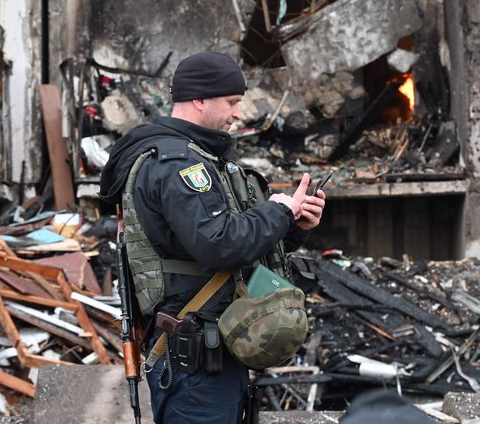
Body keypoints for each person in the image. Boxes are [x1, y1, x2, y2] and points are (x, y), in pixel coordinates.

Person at [99, 51, 326, 424]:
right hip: (193, 363)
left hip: (216, 350)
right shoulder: (175, 165)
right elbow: (219, 245)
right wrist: (278, 211)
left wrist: (295, 226)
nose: (238, 113)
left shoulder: (202, 158)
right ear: (200, 99)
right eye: (232, 102)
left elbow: (246, 251)